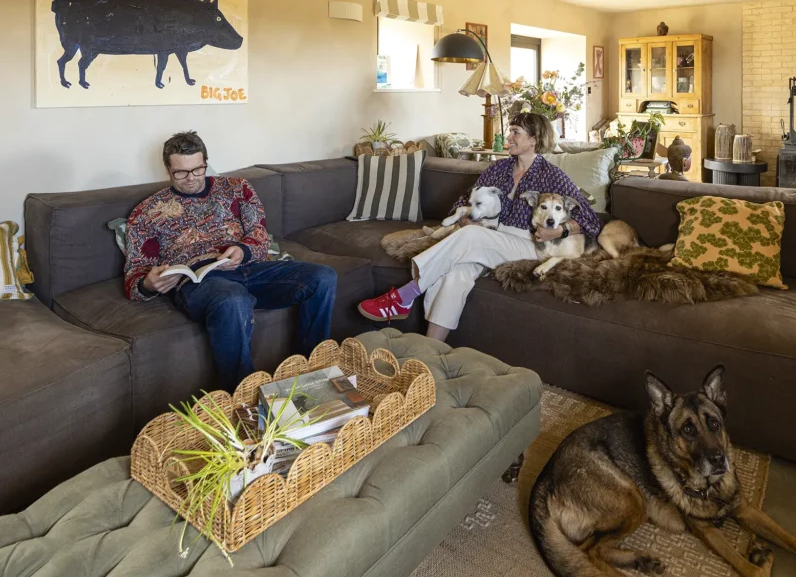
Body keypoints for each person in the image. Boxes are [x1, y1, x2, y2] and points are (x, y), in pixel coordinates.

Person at [357, 112, 601, 342]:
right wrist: (463, 218)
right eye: (511, 131)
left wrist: (560, 231)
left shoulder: (552, 175)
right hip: (488, 242)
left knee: (473, 235)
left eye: (516, 132)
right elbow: (464, 201)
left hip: (528, 246)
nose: (509, 137)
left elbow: (590, 220)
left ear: (534, 139)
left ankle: (405, 295)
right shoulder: (498, 168)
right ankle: (430, 352)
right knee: (455, 274)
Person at [123, 131, 338, 388]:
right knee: (232, 299)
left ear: (206, 163)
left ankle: (310, 375)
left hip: (252, 269)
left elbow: (259, 234)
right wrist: (148, 284)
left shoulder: (238, 189)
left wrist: (243, 251)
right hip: (201, 284)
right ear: (168, 169)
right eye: (181, 172)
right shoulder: (148, 211)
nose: (191, 179)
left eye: (197, 169)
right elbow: (134, 274)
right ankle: (243, 395)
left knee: (323, 277)